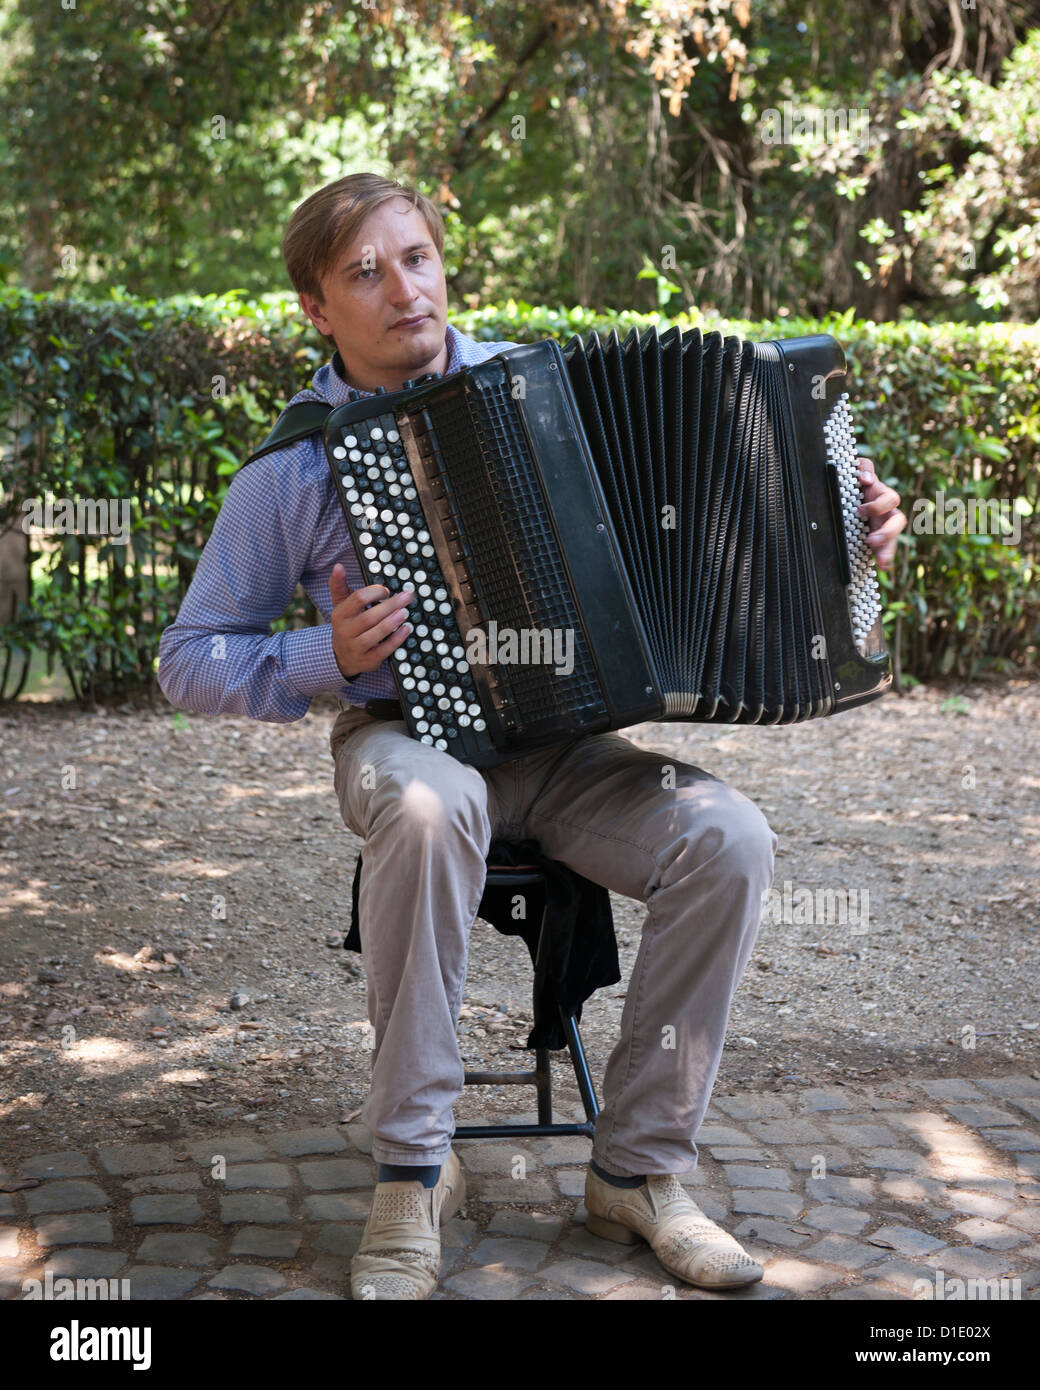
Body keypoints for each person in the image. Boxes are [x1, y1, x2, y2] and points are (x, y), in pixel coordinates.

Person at [158, 172, 908, 1302]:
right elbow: (189, 658)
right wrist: (328, 656)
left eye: (415, 256)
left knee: (729, 838)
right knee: (430, 801)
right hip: (401, 739)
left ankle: (639, 1172)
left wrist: (844, 538)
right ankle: (412, 1172)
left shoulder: (533, 390)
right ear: (315, 307)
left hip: (564, 750)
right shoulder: (296, 467)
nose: (401, 287)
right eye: (363, 271)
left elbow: (723, 521)